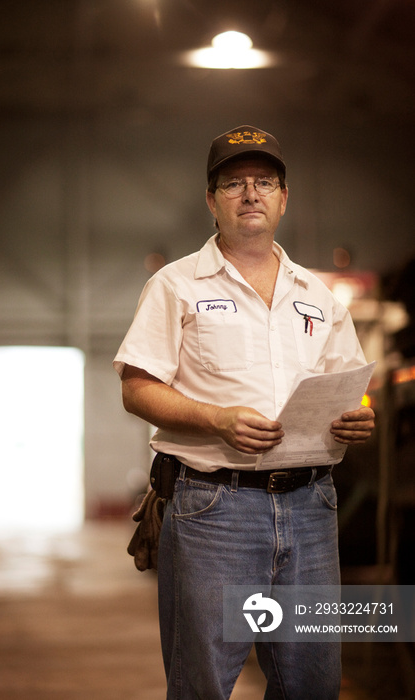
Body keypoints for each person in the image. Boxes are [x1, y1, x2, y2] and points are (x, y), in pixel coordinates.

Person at [113, 125, 375, 699]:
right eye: (233, 183)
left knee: (311, 683)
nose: (250, 193)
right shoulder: (175, 284)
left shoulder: (320, 298)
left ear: (285, 198)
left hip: (312, 507)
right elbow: (137, 388)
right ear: (212, 201)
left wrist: (357, 419)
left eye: (265, 182)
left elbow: (348, 389)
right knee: (204, 683)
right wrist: (217, 419)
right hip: (214, 511)